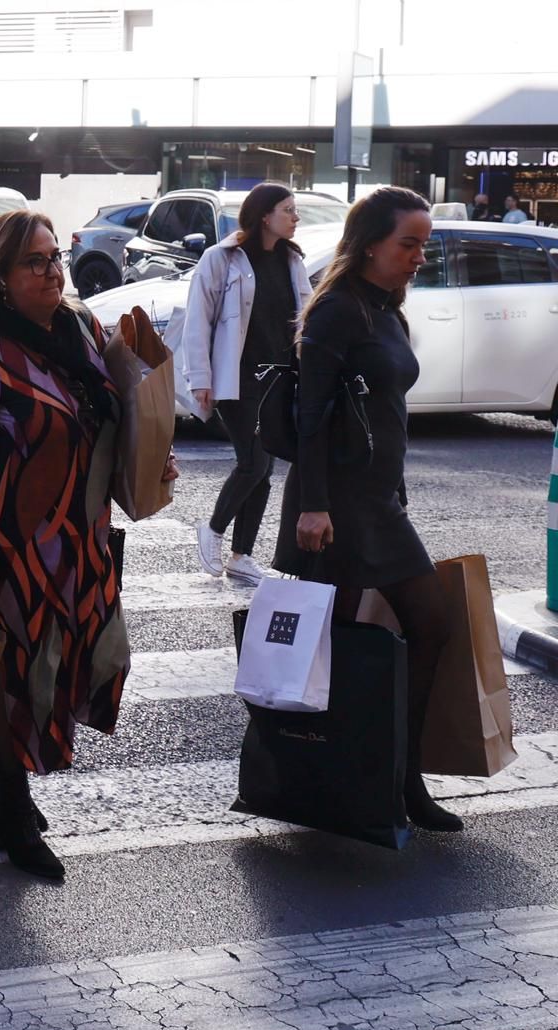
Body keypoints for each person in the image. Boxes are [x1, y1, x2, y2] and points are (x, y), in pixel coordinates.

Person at [0, 208, 179, 881]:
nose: (50, 270)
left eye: (53, 257)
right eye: (33, 262)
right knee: (12, 679)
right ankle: (14, 809)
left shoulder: (83, 328)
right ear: (1, 278)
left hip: (83, 536)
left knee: (80, 665)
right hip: (10, 549)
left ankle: (0, 765)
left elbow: (118, 409)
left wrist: (153, 455)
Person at [272, 186, 462, 834]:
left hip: (376, 500)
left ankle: (386, 779)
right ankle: (365, 779)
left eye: (423, 246)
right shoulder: (337, 313)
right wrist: (315, 507)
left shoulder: (386, 311)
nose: (417, 256)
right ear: (370, 242)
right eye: (408, 243)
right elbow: (311, 418)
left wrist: (396, 486)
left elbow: (386, 414)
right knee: (396, 630)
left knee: (372, 640)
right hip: (339, 505)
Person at [182, 182, 312, 588]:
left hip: (279, 379)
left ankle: (242, 555)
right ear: (264, 216)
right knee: (253, 462)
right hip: (237, 378)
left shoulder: (292, 260)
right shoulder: (222, 258)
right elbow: (197, 321)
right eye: (288, 209)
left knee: (265, 469)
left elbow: (303, 318)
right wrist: (200, 379)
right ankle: (214, 528)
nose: (295, 217)